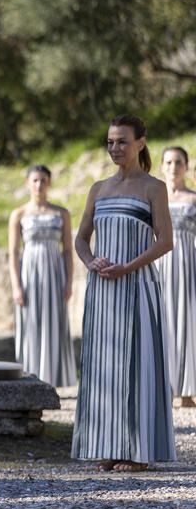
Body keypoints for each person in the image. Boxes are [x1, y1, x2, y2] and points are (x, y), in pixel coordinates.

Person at [72, 115, 175, 472]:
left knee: (136, 365)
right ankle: (109, 445)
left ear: (140, 143)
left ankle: (137, 451)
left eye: (122, 141)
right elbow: (80, 239)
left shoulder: (154, 188)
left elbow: (166, 241)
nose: (114, 148)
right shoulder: (99, 189)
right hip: (102, 291)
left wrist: (127, 267)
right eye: (110, 142)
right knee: (104, 367)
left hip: (138, 287)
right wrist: (90, 262)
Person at [7, 165, 76, 386]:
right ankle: (29, 377)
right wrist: (16, 286)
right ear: (27, 183)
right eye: (35, 180)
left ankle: (53, 378)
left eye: (43, 180)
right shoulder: (18, 214)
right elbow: (13, 252)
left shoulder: (61, 213)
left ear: (49, 183)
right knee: (30, 322)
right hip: (29, 274)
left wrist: (69, 281)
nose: (39, 185)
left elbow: (68, 250)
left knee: (55, 322)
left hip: (54, 273)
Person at [156, 146, 196, 407]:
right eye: (169, 162)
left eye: (179, 162)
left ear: (186, 166)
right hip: (159, 264)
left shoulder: (194, 199)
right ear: (162, 166)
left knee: (188, 323)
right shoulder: (154, 197)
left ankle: (188, 390)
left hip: (189, 264)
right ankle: (164, 387)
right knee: (163, 321)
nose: (173, 167)